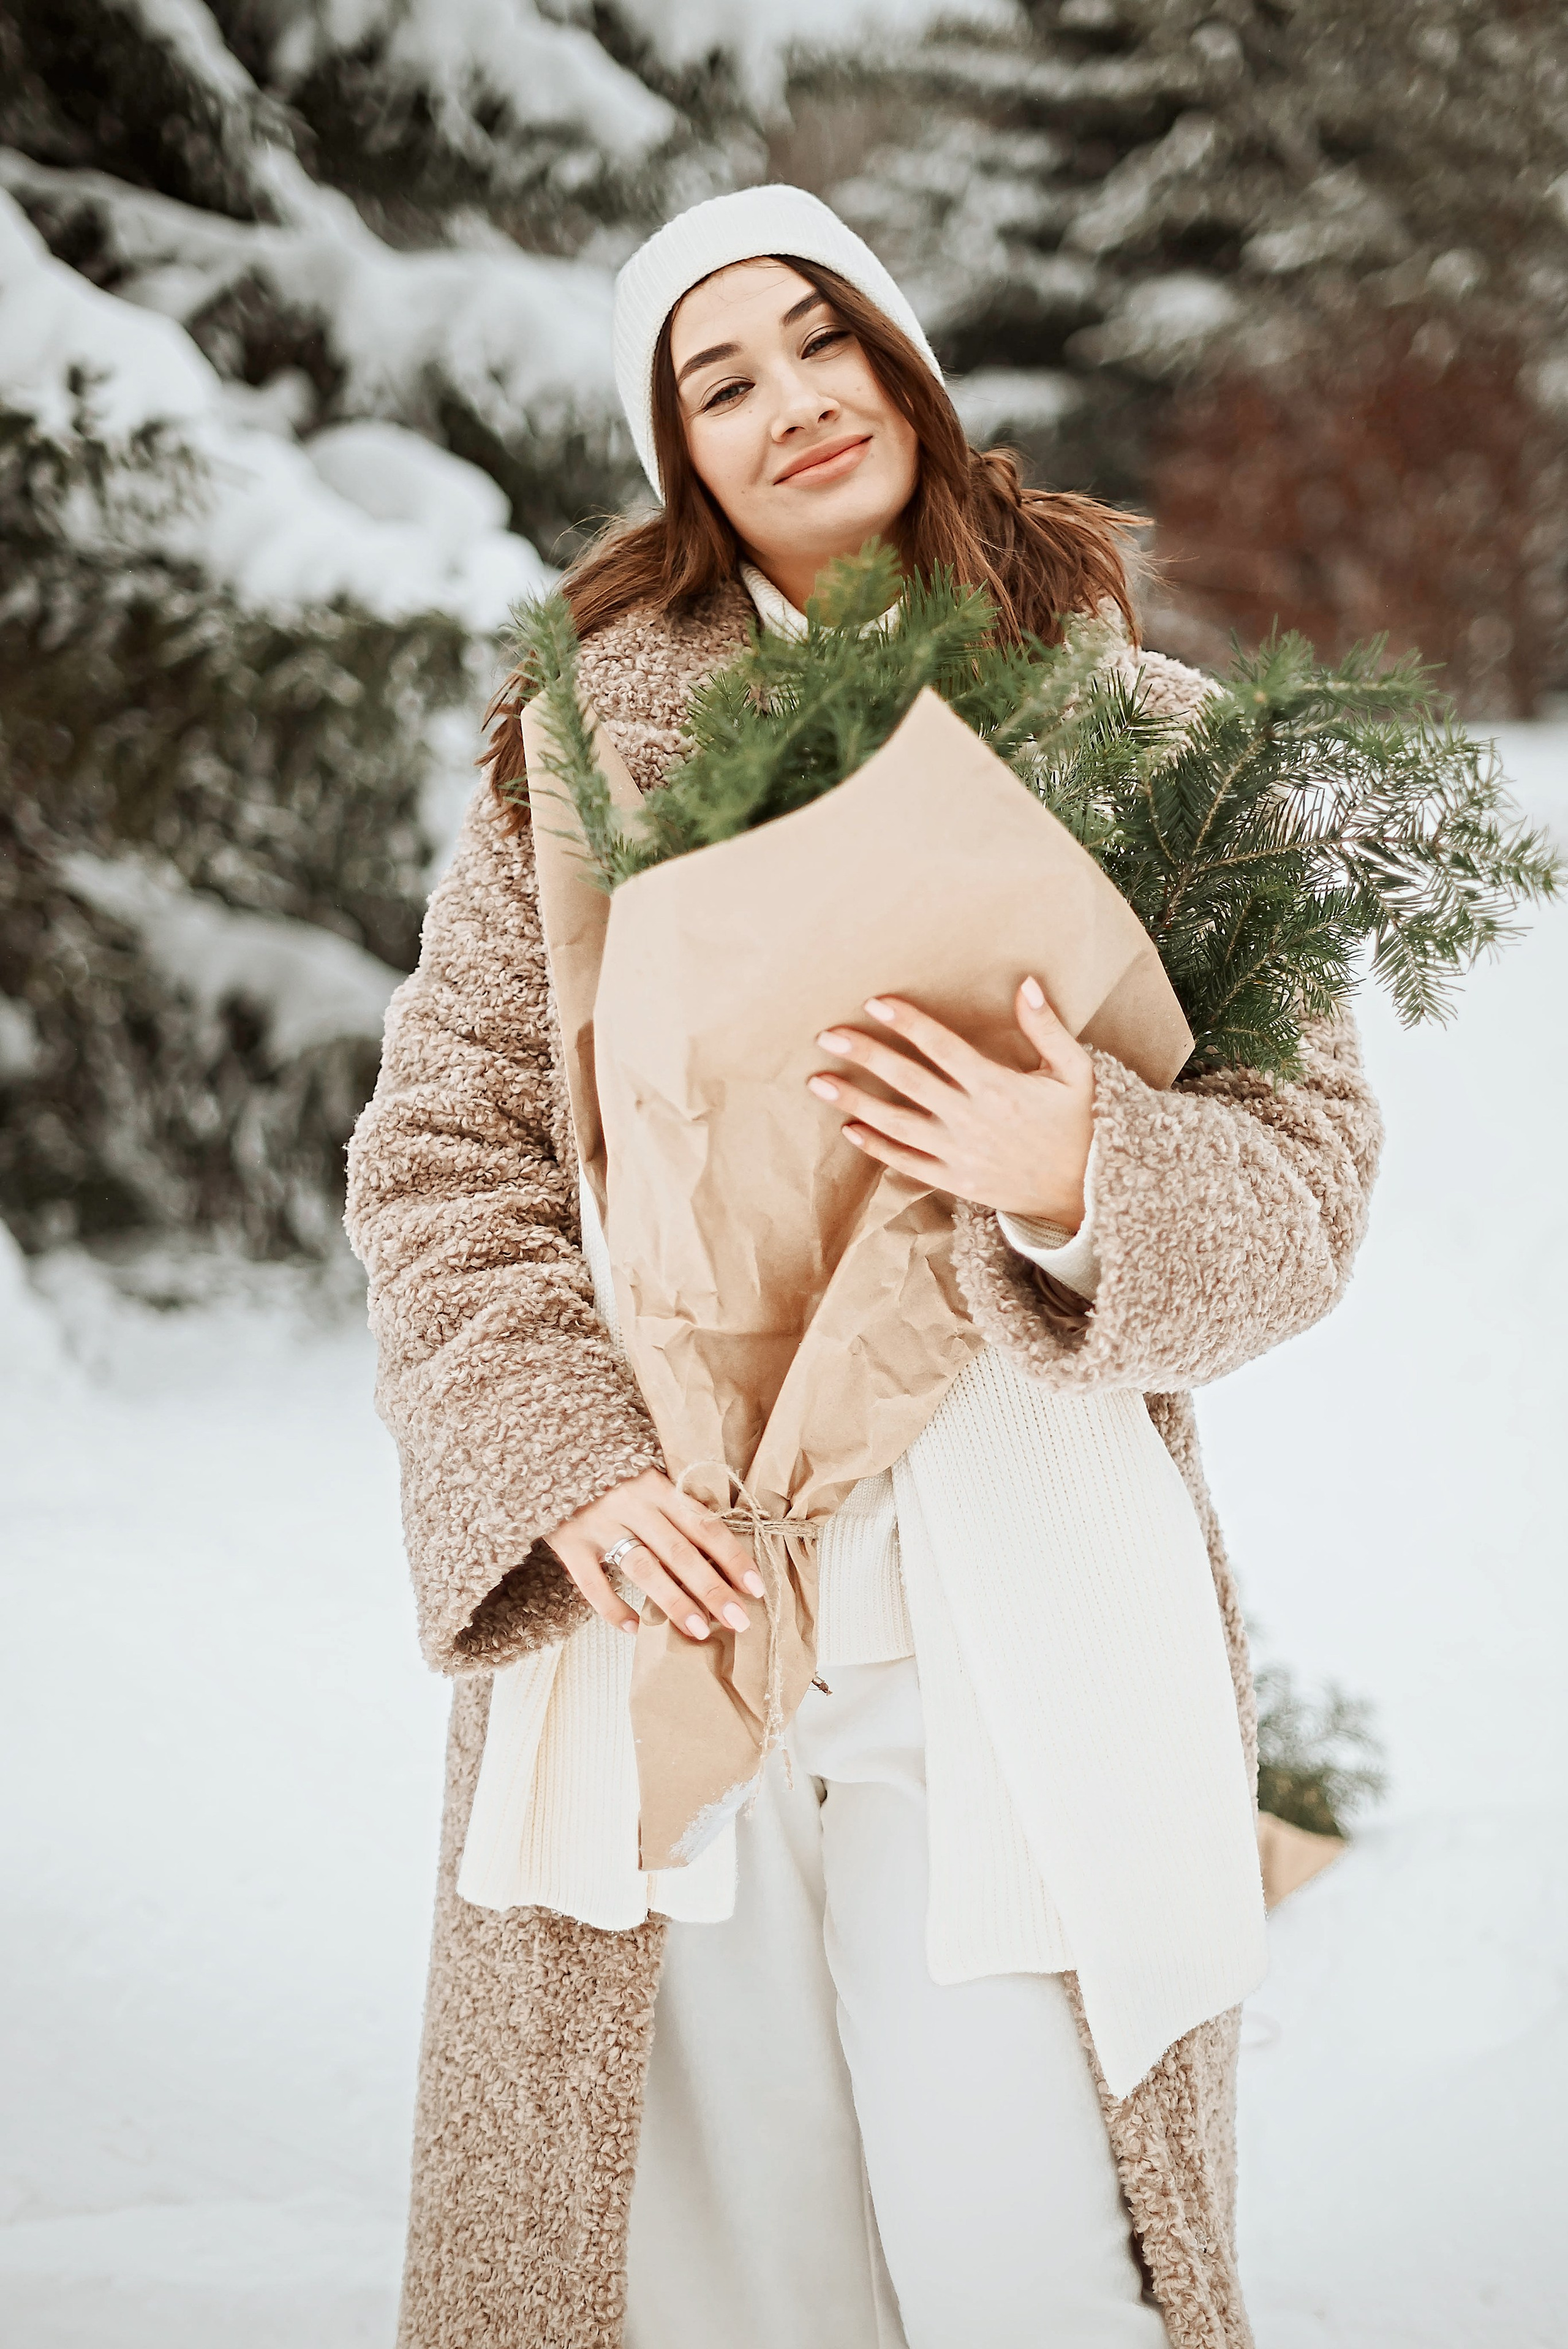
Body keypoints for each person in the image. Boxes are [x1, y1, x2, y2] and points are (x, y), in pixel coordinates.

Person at [345, 186, 1381, 2349]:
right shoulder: (575, 755)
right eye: (722, 382)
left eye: (824, 341)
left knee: (1024, 2260)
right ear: (681, 459)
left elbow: (1307, 1183)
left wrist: (1080, 1157)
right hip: (671, 1602)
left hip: (1002, 1618)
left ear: (908, 366)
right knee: (711, 2276)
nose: (793, 402)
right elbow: (446, 1156)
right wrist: (558, 1461)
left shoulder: (1160, 750)